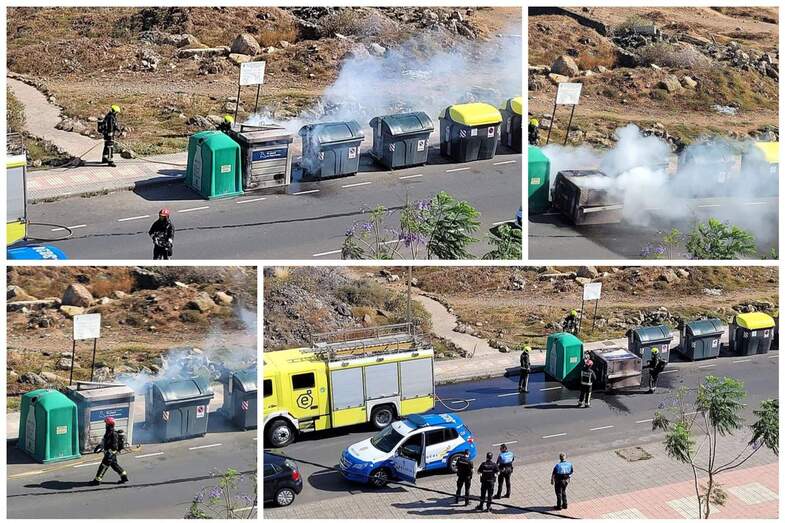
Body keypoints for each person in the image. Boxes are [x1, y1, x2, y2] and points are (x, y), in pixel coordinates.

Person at [89, 416, 128, 485]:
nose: (105, 425)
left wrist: (109, 454)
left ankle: (97, 480)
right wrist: (99, 446)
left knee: (103, 466)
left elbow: (114, 447)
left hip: (110, 454)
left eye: (106, 423)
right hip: (110, 453)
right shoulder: (109, 432)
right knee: (114, 465)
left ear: (109, 424)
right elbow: (105, 441)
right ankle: (124, 476)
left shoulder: (113, 433)